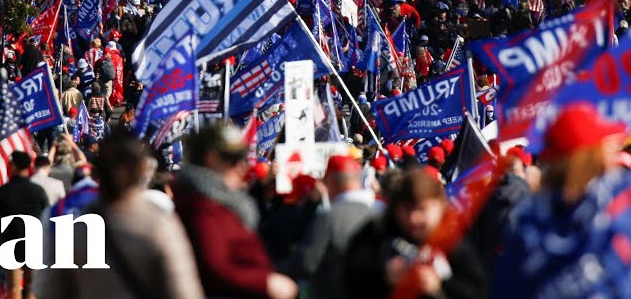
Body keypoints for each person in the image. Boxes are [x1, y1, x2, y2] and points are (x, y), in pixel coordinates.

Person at [35, 128, 204, 299]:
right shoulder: (159, 223)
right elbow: (183, 291)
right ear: (142, 170)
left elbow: (49, 290)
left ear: (98, 170)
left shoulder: (70, 223)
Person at [491, 102, 628, 298]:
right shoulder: (535, 226)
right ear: (588, 156)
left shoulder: (531, 217)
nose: (615, 151)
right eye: (605, 145)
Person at [174, 123, 299, 299]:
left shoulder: (220, 201)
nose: (242, 166)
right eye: (233, 159)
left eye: (243, 158)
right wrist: (266, 283)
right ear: (212, 159)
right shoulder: (201, 208)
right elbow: (215, 269)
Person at [341, 168, 486, 299]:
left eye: (422, 209)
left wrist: (440, 284)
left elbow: (477, 290)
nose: (413, 218)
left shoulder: (453, 243)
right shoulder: (376, 233)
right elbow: (348, 275)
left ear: (439, 207)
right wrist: (384, 275)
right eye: (407, 209)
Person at [280, 155, 380, 299]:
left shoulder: (329, 217)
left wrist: (273, 270)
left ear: (331, 182)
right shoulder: (378, 212)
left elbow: (306, 262)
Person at [0, 151, 50, 299]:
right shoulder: (38, 191)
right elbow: (46, 216)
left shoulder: (3, 192)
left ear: (14, 166)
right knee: (33, 287)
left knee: (14, 287)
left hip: (10, 244)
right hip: (35, 242)